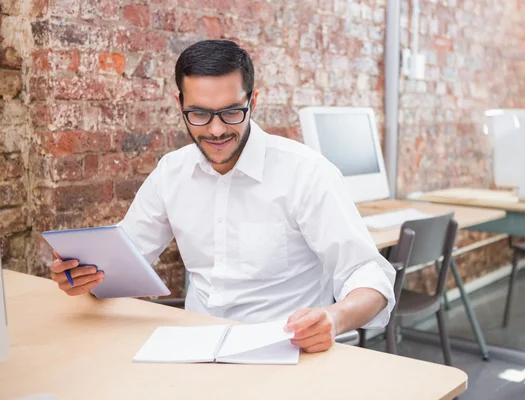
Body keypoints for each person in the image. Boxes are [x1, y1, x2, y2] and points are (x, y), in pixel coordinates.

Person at [49, 40, 395, 353]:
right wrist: (86, 277)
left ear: (253, 101)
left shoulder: (307, 173)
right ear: (179, 103)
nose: (215, 130)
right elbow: (123, 262)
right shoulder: (172, 173)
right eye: (199, 114)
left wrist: (333, 319)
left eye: (231, 112)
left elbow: (369, 274)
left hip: (286, 350)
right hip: (196, 351)